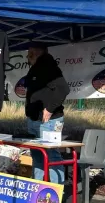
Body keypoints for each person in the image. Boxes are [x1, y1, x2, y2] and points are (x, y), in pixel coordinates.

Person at [24, 43, 70, 183]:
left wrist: (49, 109)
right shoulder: (35, 68)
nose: (28, 55)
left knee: (52, 156)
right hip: (34, 119)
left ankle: (57, 191)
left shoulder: (49, 66)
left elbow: (63, 89)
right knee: (37, 156)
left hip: (49, 121)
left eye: (30, 52)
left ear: (37, 52)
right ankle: (37, 188)